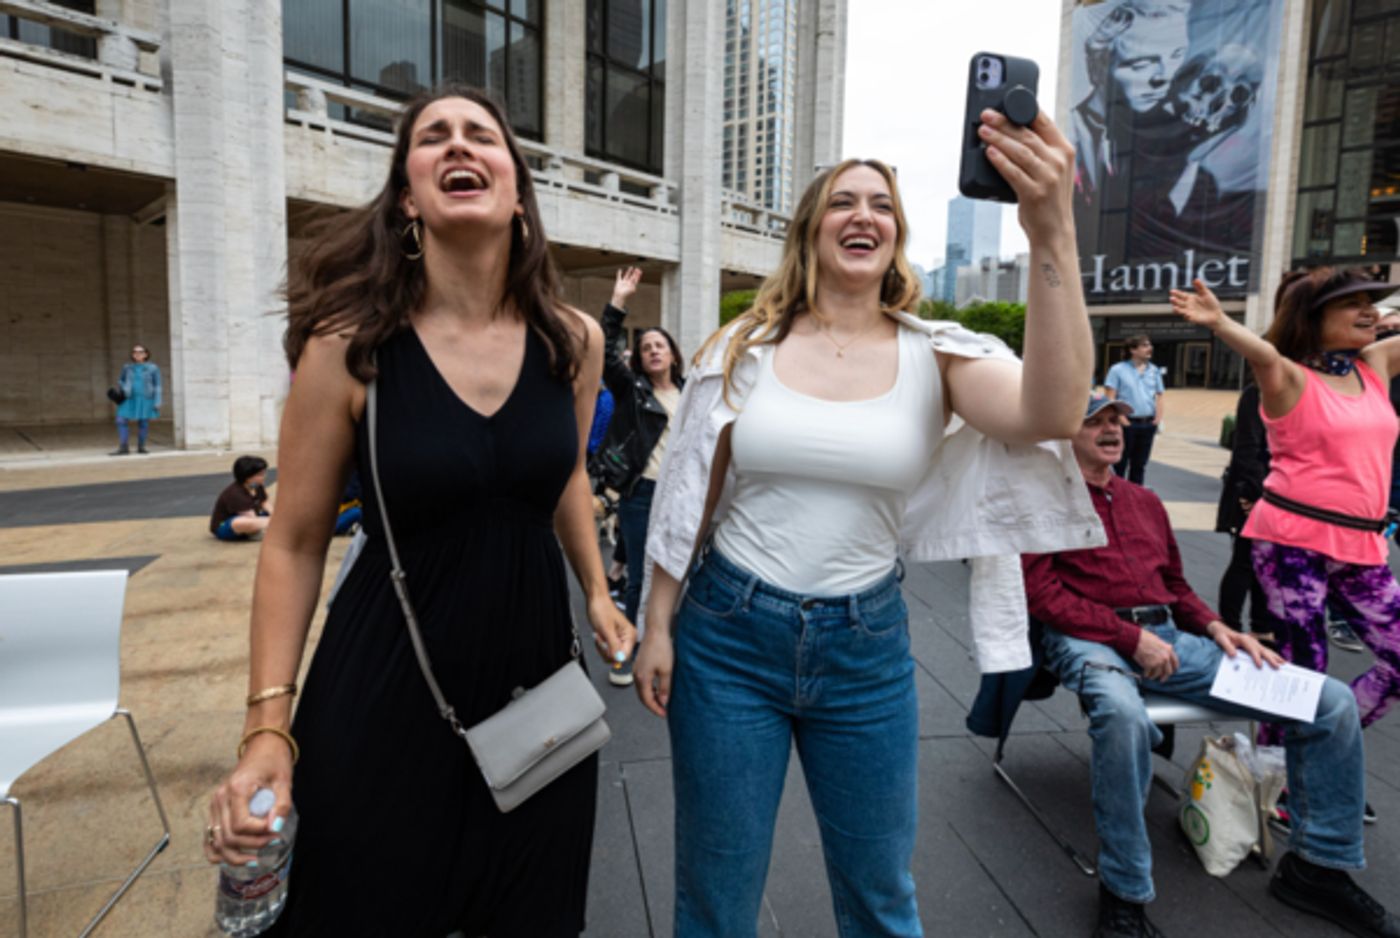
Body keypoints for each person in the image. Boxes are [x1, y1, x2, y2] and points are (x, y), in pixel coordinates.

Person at [635, 107, 1103, 938]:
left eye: (882, 205)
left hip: (866, 648)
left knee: (881, 896)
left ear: (895, 237)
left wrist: (1052, 232)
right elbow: (689, 499)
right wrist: (658, 624)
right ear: (811, 232)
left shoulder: (938, 354)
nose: (864, 215)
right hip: (728, 637)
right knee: (716, 893)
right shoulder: (743, 349)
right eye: (844, 202)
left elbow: (1054, 412)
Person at [202, 85, 634, 937]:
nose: (459, 145)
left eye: (482, 134)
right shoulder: (347, 345)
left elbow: (564, 481)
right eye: (434, 137)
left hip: (540, 687)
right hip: (387, 687)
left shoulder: (574, 341)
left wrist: (595, 590)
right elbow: (293, 542)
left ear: (518, 191)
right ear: (408, 196)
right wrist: (267, 730)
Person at [1023, 393, 1394, 938]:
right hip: (1089, 641)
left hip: (1171, 637)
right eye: (1095, 421)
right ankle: (1124, 892)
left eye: (1117, 420)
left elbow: (1175, 586)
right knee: (1123, 717)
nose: (1112, 429)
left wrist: (1218, 627)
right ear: (1064, 435)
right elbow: (1042, 595)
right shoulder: (1041, 500)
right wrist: (1131, 638)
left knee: (1331, 702)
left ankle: (1317, 868)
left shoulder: (1144, 501)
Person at [1171, 270, 1400, 779]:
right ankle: (1280, 777)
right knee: (1303, 671)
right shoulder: (1289, 377)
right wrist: (1220, 322)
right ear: (1312, 318)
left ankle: (1314, 753)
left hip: (1360, 544)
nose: (1369, 311)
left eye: (1372, 302)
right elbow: (1263, 353)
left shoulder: (1375, 365)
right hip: (1291, 544)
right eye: (1353, 304)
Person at [600, 265, 685, 685]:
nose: (653, 351)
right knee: (638, 576)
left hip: (683, 497)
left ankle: (667, 646)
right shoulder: (631, 390)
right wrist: (618, 301)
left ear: (673, 355)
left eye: (660, 345)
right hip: (642, 494)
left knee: (678, 574)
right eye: (646, 347)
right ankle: (628, 653)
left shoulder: (690, 392)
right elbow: (602, 352)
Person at [1214, 381, 1269, 632]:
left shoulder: (1292, 393)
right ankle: (1230, 627)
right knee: (1245, 561)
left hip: (1281, 494)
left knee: (1267, 563)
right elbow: (1246, 450)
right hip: (1256, 491)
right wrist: (1259, 494)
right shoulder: (1256, 394)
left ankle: (1261, 628)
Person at [1104, 334, 1165, 484]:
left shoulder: (1154, 370)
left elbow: (1160, 395)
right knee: (1119, 465)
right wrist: (1123, 420)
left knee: (1139, 466)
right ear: (1133, 350)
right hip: (1126, 424)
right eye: (1144, 345)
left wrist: (1158, 418)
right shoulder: (1117, 370)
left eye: (1149, 345)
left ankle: (1135, 495)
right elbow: (1110, 397)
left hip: (1148, 424)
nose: (1149, 348)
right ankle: (1117, 494)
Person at [111, 343, 162, 455]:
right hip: (129, 397)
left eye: (140, 352)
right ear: (132, 355)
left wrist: (157, 400)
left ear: (146, 354)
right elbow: (121, 380)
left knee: (143, 422)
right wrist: (124, 387)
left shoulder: (153, 368)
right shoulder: (127, 367)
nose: (137, 354)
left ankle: (141, 447)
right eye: (135, 352)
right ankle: (124, 448)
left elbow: (157, 385)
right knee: (120, 420)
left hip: (146, 398)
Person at [210, 455, 273, 541]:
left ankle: (272, 526)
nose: (264, 476)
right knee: (240, 522)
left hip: (253, 516)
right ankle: (275, 527)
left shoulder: (256, 485)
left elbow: (264, 502)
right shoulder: (235, 493)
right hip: (225, 525)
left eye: (264, 473)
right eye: (260, 474)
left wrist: (275, 515)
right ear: (247, 477)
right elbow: (251, 518)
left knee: (279, 513)